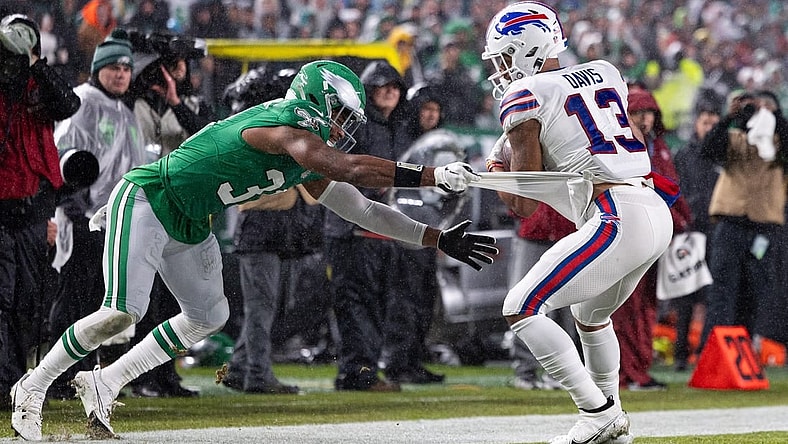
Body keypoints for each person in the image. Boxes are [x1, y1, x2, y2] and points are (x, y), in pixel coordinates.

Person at [10, 59, 497, 441]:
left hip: (187, 217)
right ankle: (31, 387)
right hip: (147, 197)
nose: (345, 127)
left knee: (209, 314)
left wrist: (437, 237)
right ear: (316, 102)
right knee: (123, 311)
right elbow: (349, 168)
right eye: (341, 115)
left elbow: (366, 211)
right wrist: (430, 174)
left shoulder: (309, 152)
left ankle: (107, 381)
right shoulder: (285, 125)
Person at [481, 3, 674, 443]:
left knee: (521, 306)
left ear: (526, 49)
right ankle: (614, 426)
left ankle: (597, 412)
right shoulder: (605, 71)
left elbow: (522, 203)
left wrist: (491, 167)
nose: (501, 69)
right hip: (651, 207)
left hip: (616, 214)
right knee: (591, 315)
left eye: (505, 56)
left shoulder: (523, 96)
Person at [46, 28, 146, 401]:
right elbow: (66, 156)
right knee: (73, 301)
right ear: (97, 69)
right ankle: (57, 377)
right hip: (85, 220)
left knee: (94, 306)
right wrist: (76, 210)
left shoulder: (125, 109)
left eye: (125, 67)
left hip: (114, 222)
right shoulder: (84, 101)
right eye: (113, 67)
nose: (120, 73)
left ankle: (80, 376)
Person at [220, 67, 329, 394]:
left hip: (276, 228)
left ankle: (241, 368)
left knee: (267, 307)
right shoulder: (262, 129)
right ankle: (257, 375)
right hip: (262, 227)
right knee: (261, 308)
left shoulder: (262, 123)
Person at [126, 31, 215, 399]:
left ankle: (165, 375)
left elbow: (206, 139)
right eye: (168, 66)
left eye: (178, 66)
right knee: (144, 301)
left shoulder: (193, 105)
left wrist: (176, 101)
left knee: (176, 301)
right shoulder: (134, 104)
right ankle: (139, 375)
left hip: (180, 211)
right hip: (146, 208)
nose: (175, 72)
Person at [326, 59, 422, 392]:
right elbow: (341, 169)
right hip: (351, 230)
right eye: (383, 87)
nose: (390, 93)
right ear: (369, 92)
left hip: (378, 231)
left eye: (395, 88)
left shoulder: (394, 128)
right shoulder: (356, 124)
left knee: (375, 305)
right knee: (356, 306)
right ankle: (358, 374)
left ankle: (362, 373)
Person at [0, 13, 81, 409]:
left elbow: (69, 103)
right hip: (3, 205)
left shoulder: (40, 82)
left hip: (33, 207)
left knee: (26, 300)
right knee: (2, 296)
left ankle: (15, 383)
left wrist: (34, 62)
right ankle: (3, 382)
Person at [612, 84, 691, 391]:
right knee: (623, 309)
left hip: (654, 236)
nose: (643, 119)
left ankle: (639, 369)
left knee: (645, 308)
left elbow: (672, 186)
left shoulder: (658, 147)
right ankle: (623, 372)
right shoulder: (620, 146)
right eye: (636, 112)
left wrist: (682, 220)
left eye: (648, 113)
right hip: (628, 235)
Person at [699, 89, 788, 351]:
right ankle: (711, 352)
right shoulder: (732, 137)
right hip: (731, 224)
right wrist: (730, 118)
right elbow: (708, 151)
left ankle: (742, 353)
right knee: (721, 291)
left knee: (754, 293)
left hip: (764, 227)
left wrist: (774, 116)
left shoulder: (780, 142)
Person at [671, 95, 722, 371]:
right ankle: (681, 353)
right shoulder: (685, 154)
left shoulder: (723, 155)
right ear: (697, 124)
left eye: (714, 123)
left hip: (716, 231)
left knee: (711, 296)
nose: (710, 128)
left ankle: (704, 351)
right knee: (685, 295)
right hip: (690, 232)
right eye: (706, 123)